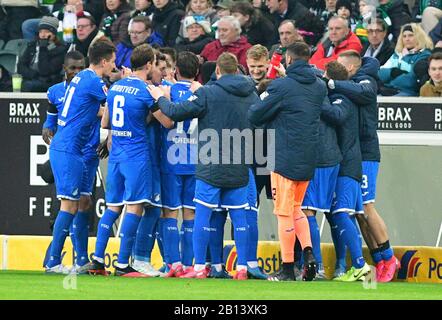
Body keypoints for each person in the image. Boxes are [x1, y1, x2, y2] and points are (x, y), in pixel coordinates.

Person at [148, 52, 259, 280]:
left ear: (217, 71)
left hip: (211, 164)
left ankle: (200, 267)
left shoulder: (207, 93)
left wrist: (160, 97)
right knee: (240, 218)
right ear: (237, 70)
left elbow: (175, 112)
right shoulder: (251, 94)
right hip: (239, 163)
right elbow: (261, 123)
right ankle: (242, 268)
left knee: (202, 216)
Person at [85, 44, 174, 277]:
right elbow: (167, 122)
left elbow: (105, 124)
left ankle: (97, 259)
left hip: (116, 156)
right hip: (136, 156)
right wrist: (163, 98)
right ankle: (123, 263)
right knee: (134, 207)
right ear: (148, 65)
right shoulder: (146, 91)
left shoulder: (115, 87)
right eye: (155, 63)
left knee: (113, 207)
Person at [248, 42, 327, 281]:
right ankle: (309, 253)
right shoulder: (319, 86)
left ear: (288, 61)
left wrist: (266, 97)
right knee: (296, 209)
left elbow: (256, 114)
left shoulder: (281, 86)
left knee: (283, 214)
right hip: (307, 158)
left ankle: (288, 268)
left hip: (284, 157)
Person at [326, 51, 400, 283]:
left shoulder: (365, 81)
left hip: (366, 153)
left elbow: (366, 90)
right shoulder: (352, 83)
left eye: (340, 66)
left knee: (367, 207)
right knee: (358, 212)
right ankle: (378, 258)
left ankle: (389, 258)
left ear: (349, 68)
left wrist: (330, 83)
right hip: (355, 154)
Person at [44, 39, 116, 274]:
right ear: (104, 61)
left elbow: (93, 109)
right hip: (68, 150)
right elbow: (115, 106)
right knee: (69, 205)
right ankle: (53, 261)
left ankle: (80, 259)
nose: (113, 66)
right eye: (112, 62)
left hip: (74, 149)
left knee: (82, 202)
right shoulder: (93, 81)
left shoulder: (82, 79)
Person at [321, 59, 370, 281]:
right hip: (345, 165)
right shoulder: (343, 97)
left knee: (341, 214)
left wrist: (318, 99)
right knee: (341, 216)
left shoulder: (342, 99)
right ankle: (348, 266)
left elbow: (337, 115)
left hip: (346, 166)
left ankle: (360, 265)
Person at [157, 51, 200, 277]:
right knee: (190, 215)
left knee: (170, 213)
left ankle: (172, 264)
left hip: (171, 161)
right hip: (195, 161)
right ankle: (189, 265)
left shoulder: (168, 92)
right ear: (197, 73)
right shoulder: (202, 93)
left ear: (175, 71)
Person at [379, 23, 433, 96]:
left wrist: (390, 82)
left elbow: (412, 80)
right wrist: (392, 72)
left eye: (411, 35)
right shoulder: (397, 54)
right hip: (389, 90)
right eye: (404, 36)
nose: (407, 39)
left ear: (419, 37)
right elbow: (380, 73)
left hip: (408, 93)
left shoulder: (425, 55)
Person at [17, 16, 67, 92]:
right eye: (41, 32)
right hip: (31, 78)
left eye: (47, 32)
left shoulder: (59, 50)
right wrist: (33, 74)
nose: (43, 35)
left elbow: (45, 71)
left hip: (48, 82)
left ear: (53, 33)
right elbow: (20, 66)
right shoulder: (32, 45)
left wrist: (43, 49)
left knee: (28, 86)